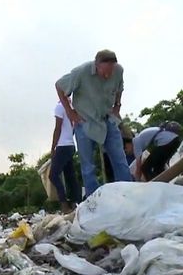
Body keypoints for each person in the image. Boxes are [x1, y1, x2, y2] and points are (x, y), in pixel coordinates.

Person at [55, 50, 133, 197]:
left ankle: (127, 194)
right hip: (85, 121)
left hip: (107, 119)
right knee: (88, 166)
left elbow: (120, 88)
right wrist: (70, 113)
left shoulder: (118, 70)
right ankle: (93, 200)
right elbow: (59, 86)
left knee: (120, 160)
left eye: (110, 71)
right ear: (96, 66)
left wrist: (117, 105)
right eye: (104, 72)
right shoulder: (81, 72)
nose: (107, 76)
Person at [50, 100, 83, 213]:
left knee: (53, 175)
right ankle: (74, 203)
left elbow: (58, 128)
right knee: (70, 176)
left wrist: (53, 147)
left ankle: (64, 204)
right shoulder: (72, 108)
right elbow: (72, 129)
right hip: (70, 145)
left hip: (62, 145)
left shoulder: (59, 107)